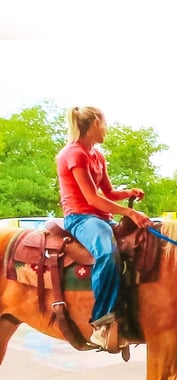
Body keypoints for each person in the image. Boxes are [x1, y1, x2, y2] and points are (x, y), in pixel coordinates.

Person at [56, 106, 152, 352]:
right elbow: (91, 198)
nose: (106, 129)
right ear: (96, 122)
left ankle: (129, 312)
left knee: (140, 244)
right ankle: (101, 323)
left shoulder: (97, 155)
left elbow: (108, 193)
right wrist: (130, 212)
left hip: (101, 217)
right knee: (107, 254)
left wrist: (128, 193)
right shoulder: (74, 154)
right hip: (81, 218)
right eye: (105, 124)